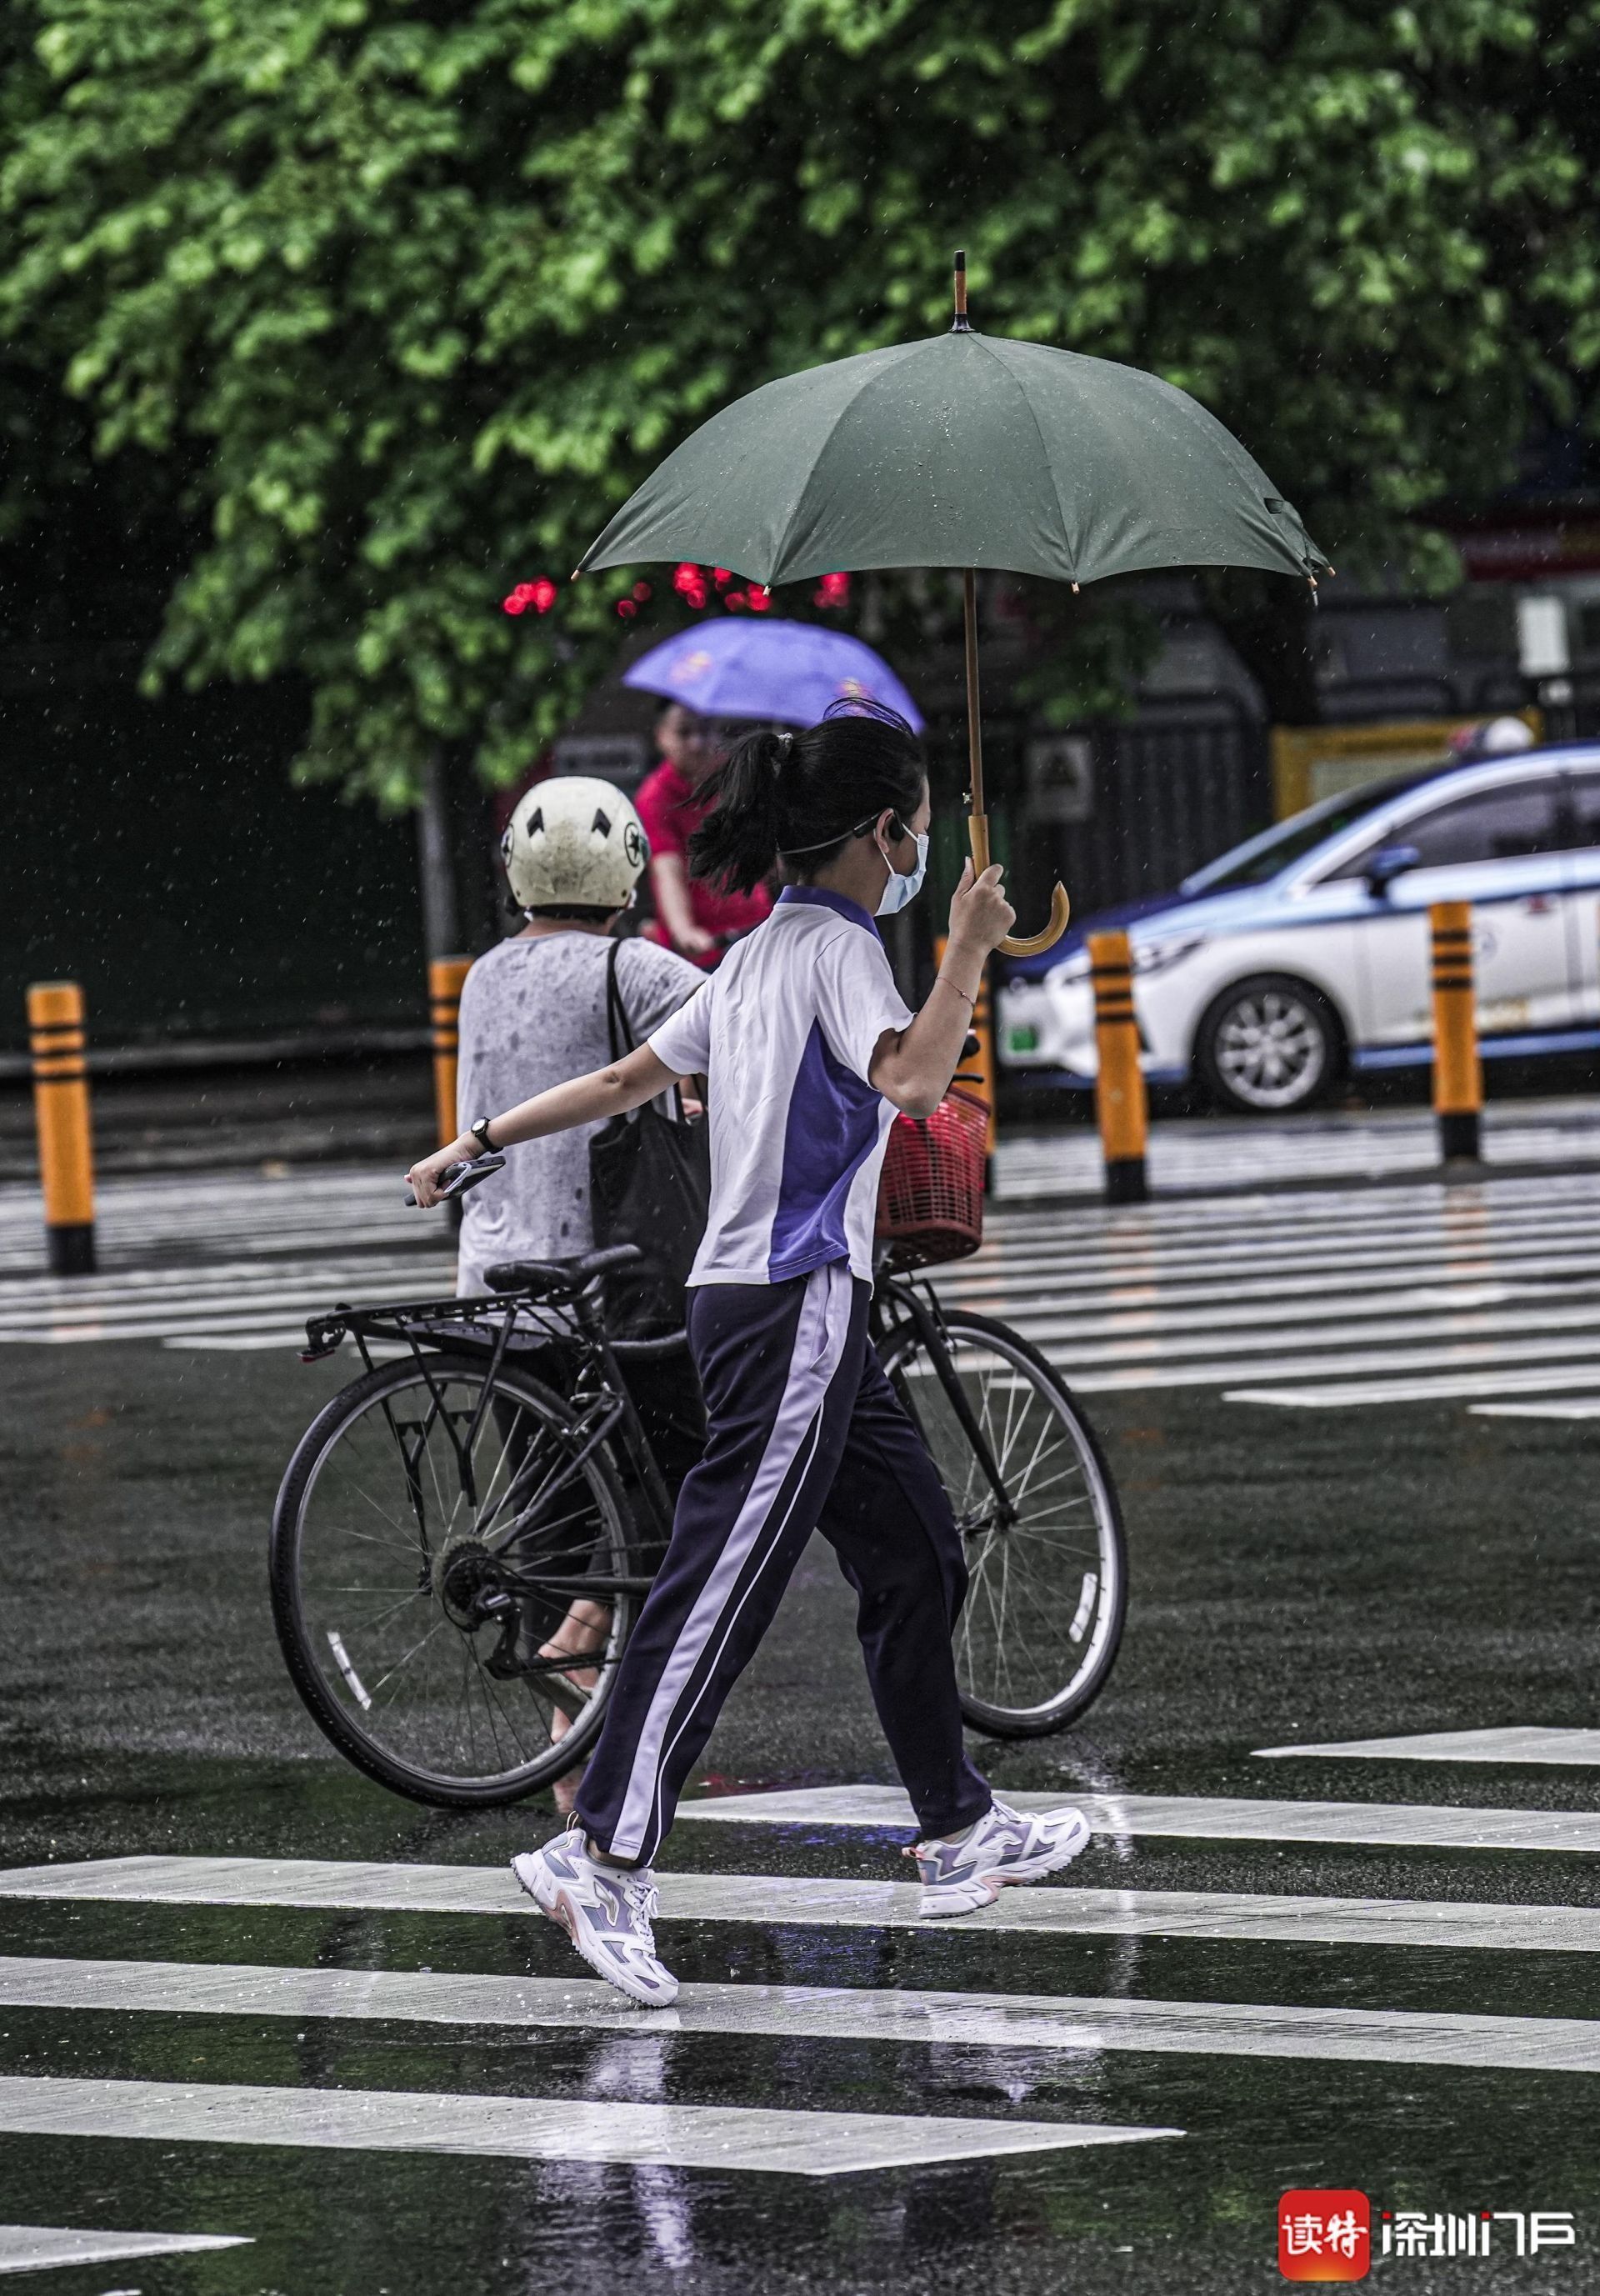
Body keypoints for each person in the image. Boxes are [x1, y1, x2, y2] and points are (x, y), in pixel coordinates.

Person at [408, 703, 1091, 2008]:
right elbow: (915, 1080)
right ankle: (601, 1852)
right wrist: (965, 945)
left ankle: (956, 1822)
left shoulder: (759, 950)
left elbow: (623, 1081)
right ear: (884, 833)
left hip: (767, 1302)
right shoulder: (833, 948)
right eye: (920, 830)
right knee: (720, 1582)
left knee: (916, 1546)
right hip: (794, 1300)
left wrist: (476, 1138)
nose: (925, 849)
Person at [457, 773, 705, 1761]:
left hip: (493, 1281)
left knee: (551, 1508)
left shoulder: (481, 976)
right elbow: (751, 1026)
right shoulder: (632, 969)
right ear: (627, 872)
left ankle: (565, 1728)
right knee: (685, 1470)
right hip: (601, 1275)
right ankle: (587, 1667)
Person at [636, 702, 773, 965]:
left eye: (705, 730)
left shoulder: (735, 778)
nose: (696, 743)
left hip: (757, 927)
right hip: (706, 944)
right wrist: (683, 930)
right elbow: (667, 867)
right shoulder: (656, 796)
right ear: (661, 737)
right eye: (684, 732)